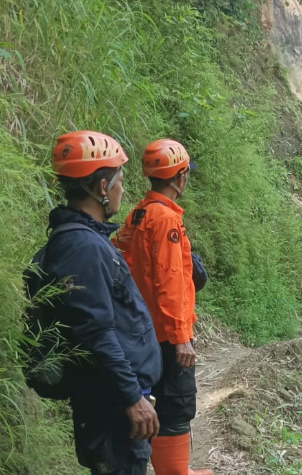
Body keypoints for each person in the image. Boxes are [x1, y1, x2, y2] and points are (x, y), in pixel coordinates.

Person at [47, 130, 162, 475]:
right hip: (111, 406)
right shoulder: (82, 248)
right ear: (101, 187)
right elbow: (95, 332)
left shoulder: (85, 240)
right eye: (119, 181)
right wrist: (131, 398)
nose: (122, 190)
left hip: (113, 401)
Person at [116, 139, 212, 475]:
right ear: (180, 177)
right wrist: (180, 335)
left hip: (144, 331)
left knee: (160, 401)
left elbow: (124, 259)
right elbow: (169, 279)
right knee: (176, 405)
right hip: (166, 334)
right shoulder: (166, 219)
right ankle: (175, 472)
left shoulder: (139, 212)